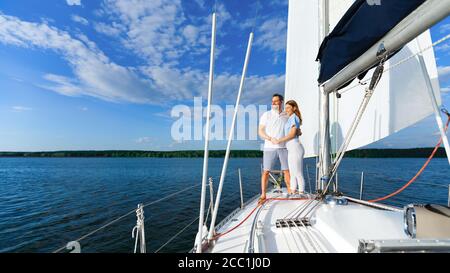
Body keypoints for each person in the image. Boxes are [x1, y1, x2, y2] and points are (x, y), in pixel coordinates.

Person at [258, 94, 291, 204]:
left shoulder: (287, 115)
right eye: (272, 101)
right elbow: (260, 131)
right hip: (269, 147)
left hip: (284, 147)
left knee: (287, 171)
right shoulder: (266, 115)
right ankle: (263, 194)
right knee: (266, 171)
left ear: (281, 102)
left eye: (276, 101)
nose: (273, 103)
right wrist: (269, 138)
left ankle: (290, 191)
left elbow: (293, 129)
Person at [271, 100, 306, 194]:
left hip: (295, 147)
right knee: (293, 173)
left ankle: (301, 193)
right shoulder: (290, 118)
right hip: (291, 148)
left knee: (298, 173)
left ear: (294, 108)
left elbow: (291, 134)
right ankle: (293, 191)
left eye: (288, 108)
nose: (286, 110)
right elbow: (297, 132)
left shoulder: (294, 117)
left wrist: (278, 140)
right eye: (285, 108)